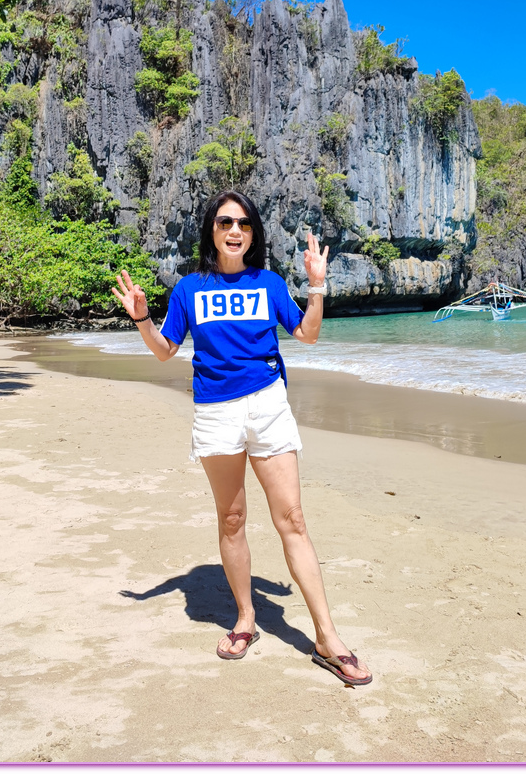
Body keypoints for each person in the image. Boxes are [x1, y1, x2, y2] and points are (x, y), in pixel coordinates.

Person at [112, 189, 372, 687]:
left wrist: (317, 286)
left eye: (245, 224)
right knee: (232, 518)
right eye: (226, 222)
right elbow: (166, 351)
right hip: (215, 412)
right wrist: (143, 318)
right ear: (211, 229)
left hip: (267, 405)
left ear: (253, 234)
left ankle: (327, 636)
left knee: (292, 518)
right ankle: (246, 620)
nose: (235, 231)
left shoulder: (269, 283)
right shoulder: (189, 288)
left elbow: (308, 335)